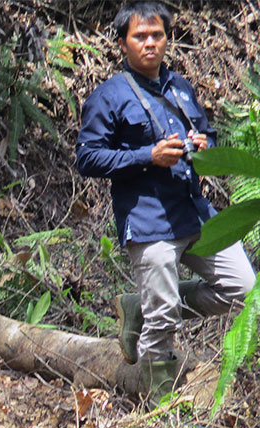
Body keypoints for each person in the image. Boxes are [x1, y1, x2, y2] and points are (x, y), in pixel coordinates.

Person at [76, 1, 255, 404]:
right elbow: (87, 158)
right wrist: (147, 156)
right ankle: (160, 408)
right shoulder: (110, 95)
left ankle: (140, 307)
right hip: (149, 217)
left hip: (194, 211)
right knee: (164, 318)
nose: (150, 43)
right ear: (123, 43)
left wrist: (202, 145)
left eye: (157, 35)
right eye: (140, 36)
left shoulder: (180, 86)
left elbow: (207, 134)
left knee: (242, 288)